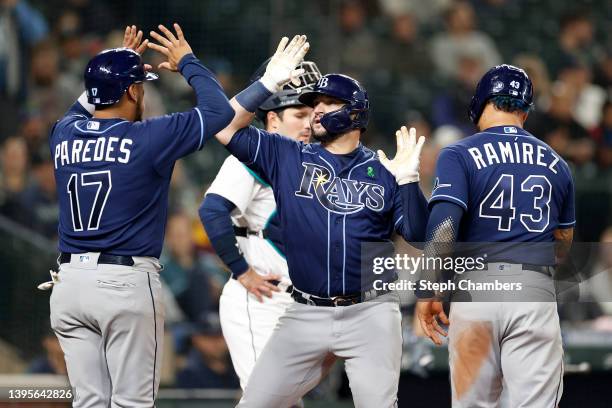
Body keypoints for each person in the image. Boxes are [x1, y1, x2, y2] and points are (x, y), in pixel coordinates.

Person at [214, 35, 429, 407]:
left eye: (328, 102)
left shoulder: (383, 170)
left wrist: (409, 182)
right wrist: (265, 85)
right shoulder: (287, 155)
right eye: (314, 103)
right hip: (303, 312)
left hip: (371, 311)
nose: (317, 109)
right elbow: (223, 127)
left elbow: (421, 235)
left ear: (356, 113)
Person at [47, 24, 234, 407]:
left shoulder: (63, 134)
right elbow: (219, 111)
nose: (143, 93)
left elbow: (83, 106)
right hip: (123, 284)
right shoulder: (149, 136)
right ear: (133, 91)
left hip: (68, 285)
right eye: (140, 86)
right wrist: (189, 63)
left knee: (89, 403)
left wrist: (112, 68)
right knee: (132, 403)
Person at [416, 64, 575, 407]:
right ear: (525, 110)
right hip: (533, 291)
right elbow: (563, 243)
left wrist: (429, 286)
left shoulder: (458, 153)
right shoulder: (558, 163)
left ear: (481, 102)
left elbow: (444, 224)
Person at [198, 59, 321, 390]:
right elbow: (212, 211)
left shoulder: (315, 164)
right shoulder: (250, 158)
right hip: (261, 301)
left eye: (312, 113)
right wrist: (241, 270)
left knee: (286, 400)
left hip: (303, 304)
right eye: (299, 115)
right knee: (265, 397)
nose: (309, 123)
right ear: (273, 121)